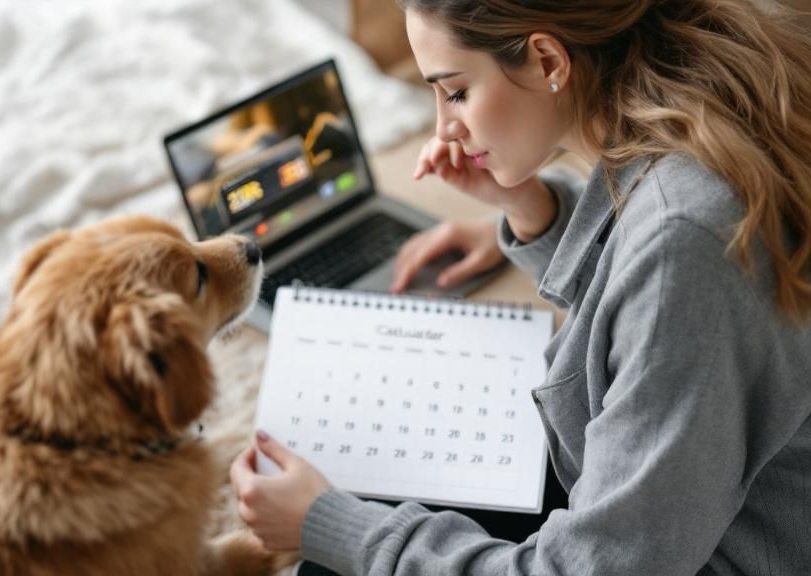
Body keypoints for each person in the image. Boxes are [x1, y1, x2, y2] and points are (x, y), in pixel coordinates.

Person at [229, 0, 811, 574]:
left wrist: (331, 527)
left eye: (456, 91)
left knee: (344, 539)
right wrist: (536, 212)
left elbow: (589, 568)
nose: (444, 128)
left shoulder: (682, 236)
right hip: (697, 512)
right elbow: (657, 315)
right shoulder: (710, 110)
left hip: (718, 550)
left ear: (547, 60)